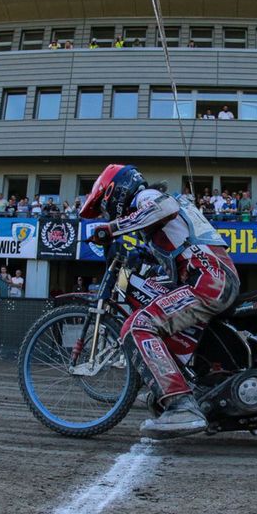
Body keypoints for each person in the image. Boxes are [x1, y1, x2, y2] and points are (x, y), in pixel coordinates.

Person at [80, 163, 238, 439]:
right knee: (152, 309)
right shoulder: (152, 215)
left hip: (208, 279)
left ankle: (182, 406)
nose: (106, 213)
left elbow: (165, 209)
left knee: (137, 326)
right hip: (210, 277)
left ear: (115, 192)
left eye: (105, 207)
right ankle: (171, 389)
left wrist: (113, 227)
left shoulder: (146, 197)